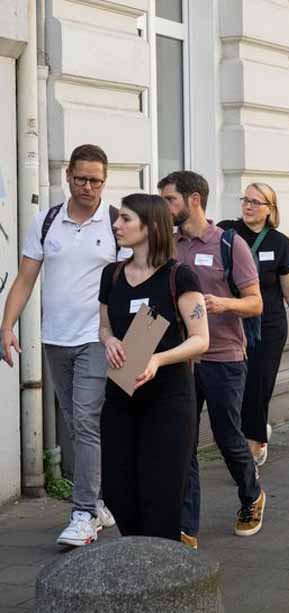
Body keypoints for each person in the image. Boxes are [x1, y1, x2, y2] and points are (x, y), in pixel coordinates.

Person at [1, 144, 120, 546]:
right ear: (68, 175)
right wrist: (6, 326)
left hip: (96, 339)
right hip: (55, 338)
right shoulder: (46, 220)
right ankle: (101, 499)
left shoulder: (117, 223)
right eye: (81, 178)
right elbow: (24, 279)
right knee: (75, 423)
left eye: (96, 180)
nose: (88, 187)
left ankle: (84, 512)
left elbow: (134, 281)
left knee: (85, 421)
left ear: (105, 181)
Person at [159, 170, 266, 547]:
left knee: (227, 436)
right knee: (182, 441)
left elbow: (256, 303)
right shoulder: (168, 245)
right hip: (182, 360)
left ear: (193, 200)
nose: (165, 207)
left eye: (170, 199)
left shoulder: (228, 244)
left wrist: (223, 303)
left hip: (224, 357)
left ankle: (251, 494)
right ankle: (186, 527)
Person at [98, 194, 209, 541]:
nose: (117, 224)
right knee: (118, 489)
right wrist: (110, 342)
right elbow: (104, 326)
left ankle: (162, 574)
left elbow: (200, 339)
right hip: (121, 394)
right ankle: (136, 558)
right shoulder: (112, 274)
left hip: (168, 400)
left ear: (150, 226)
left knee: (160, 494)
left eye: (126, 219)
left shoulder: (179, 276)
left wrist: (158, 358)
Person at [218, 183, 289, 467]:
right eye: (245, 200)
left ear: (270, 209)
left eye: (256, 202)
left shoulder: (279, 243)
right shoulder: (226, 233)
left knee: (257, 388)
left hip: (268, 327)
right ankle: (255, 432)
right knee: (231, 391)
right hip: (229, 324)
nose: (248, 206)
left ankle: (251, 452)